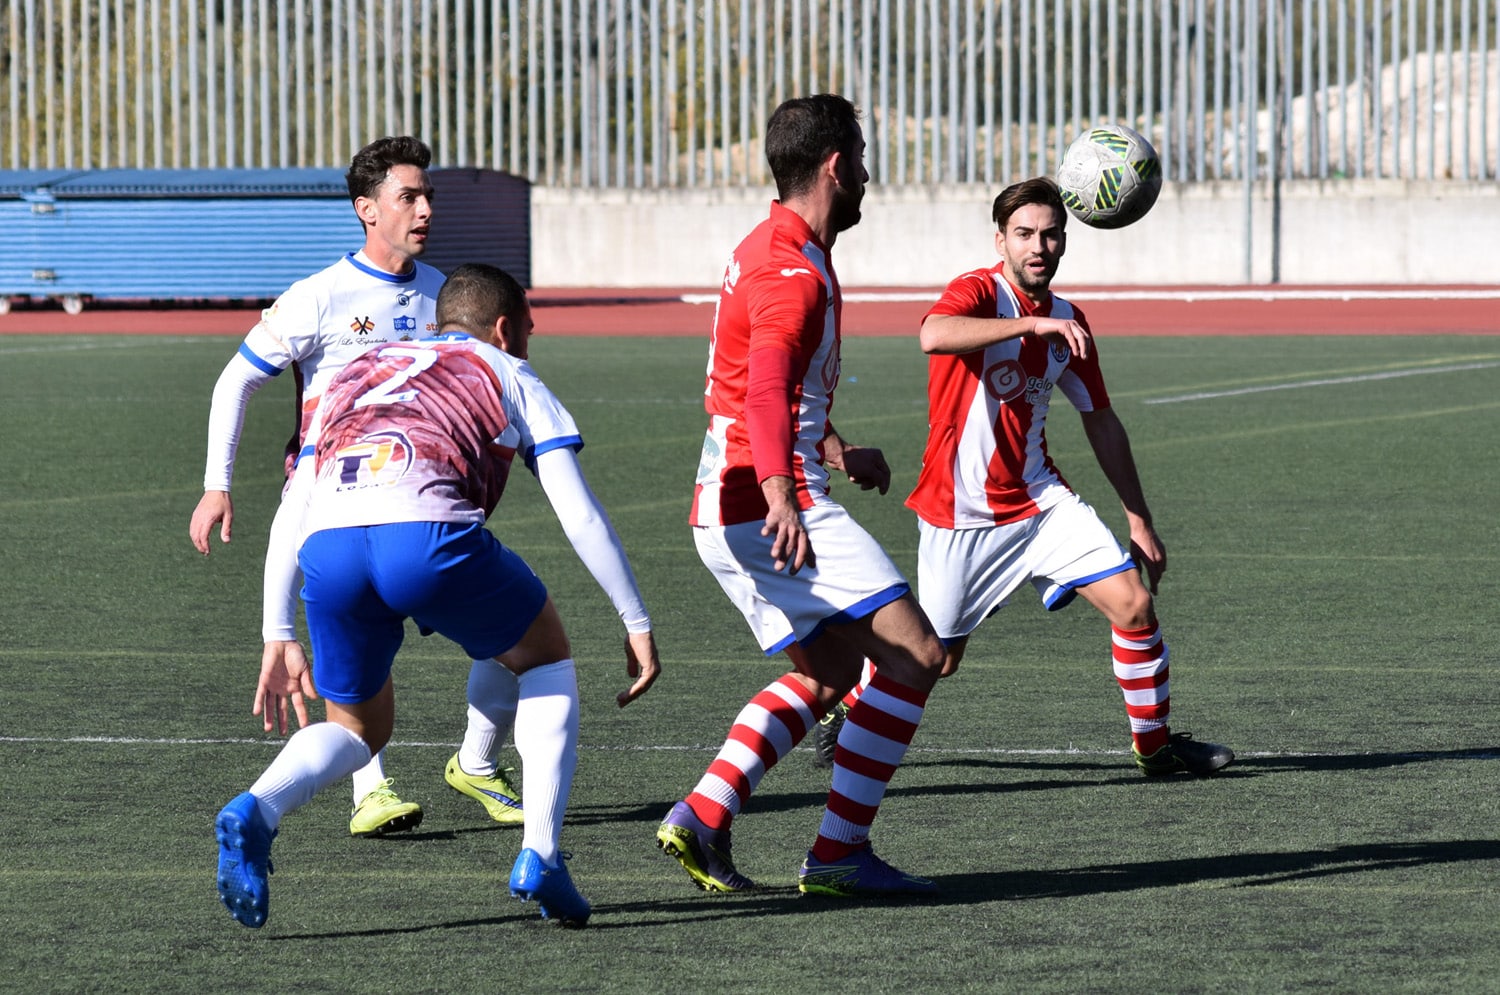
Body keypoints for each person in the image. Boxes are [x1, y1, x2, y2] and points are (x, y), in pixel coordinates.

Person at [214, 262, 662, 930]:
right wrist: (635, 616)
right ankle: (540, 850)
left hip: (329, 550)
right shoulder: (508, 370)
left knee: (357, 727)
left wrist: (276, 628)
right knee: (543, 655)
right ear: (506, 328)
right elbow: (579, 513)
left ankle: (258, 805)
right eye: (529, 332)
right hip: (425, 537)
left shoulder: (354, 374)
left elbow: (295, 505)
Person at [188, 136, 526, 837]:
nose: (425, 207)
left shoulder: (443, 296)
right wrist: (216, 485)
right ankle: (369, 789)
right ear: (367, 209)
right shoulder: (320, 296)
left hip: (424, 501)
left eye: (428, 194)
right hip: (330, 501)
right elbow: (236, 379)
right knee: (366, 658)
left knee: (512, 640)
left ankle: (477, 760)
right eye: (410, 195)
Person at [655, 94, 947, 899]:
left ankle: (702, 814)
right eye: (859, 155)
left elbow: (763, 391)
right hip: (763, 503)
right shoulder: (791, 269)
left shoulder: (774, 247)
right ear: (833, 165)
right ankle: (839, 852)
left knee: (829, 669)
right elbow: (762, 392)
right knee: (919, 654)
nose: (866, 172)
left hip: (735, 498)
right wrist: (786, 494)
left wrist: (833, 446)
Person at [891, 176, 1233, 775]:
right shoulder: (976, 290)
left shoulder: (1071, 320)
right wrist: (1029, 326)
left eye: (1051, 235)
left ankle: (1155, 749)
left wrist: (1138, 517)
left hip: (1041, 502)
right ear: (1000, 241)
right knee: (937, 661)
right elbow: (932, 334)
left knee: (1133, 604)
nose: (1038, 247)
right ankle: (851, 698)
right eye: (1024, 234)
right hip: (961, 513)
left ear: (1066, 242)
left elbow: (1101, 420)